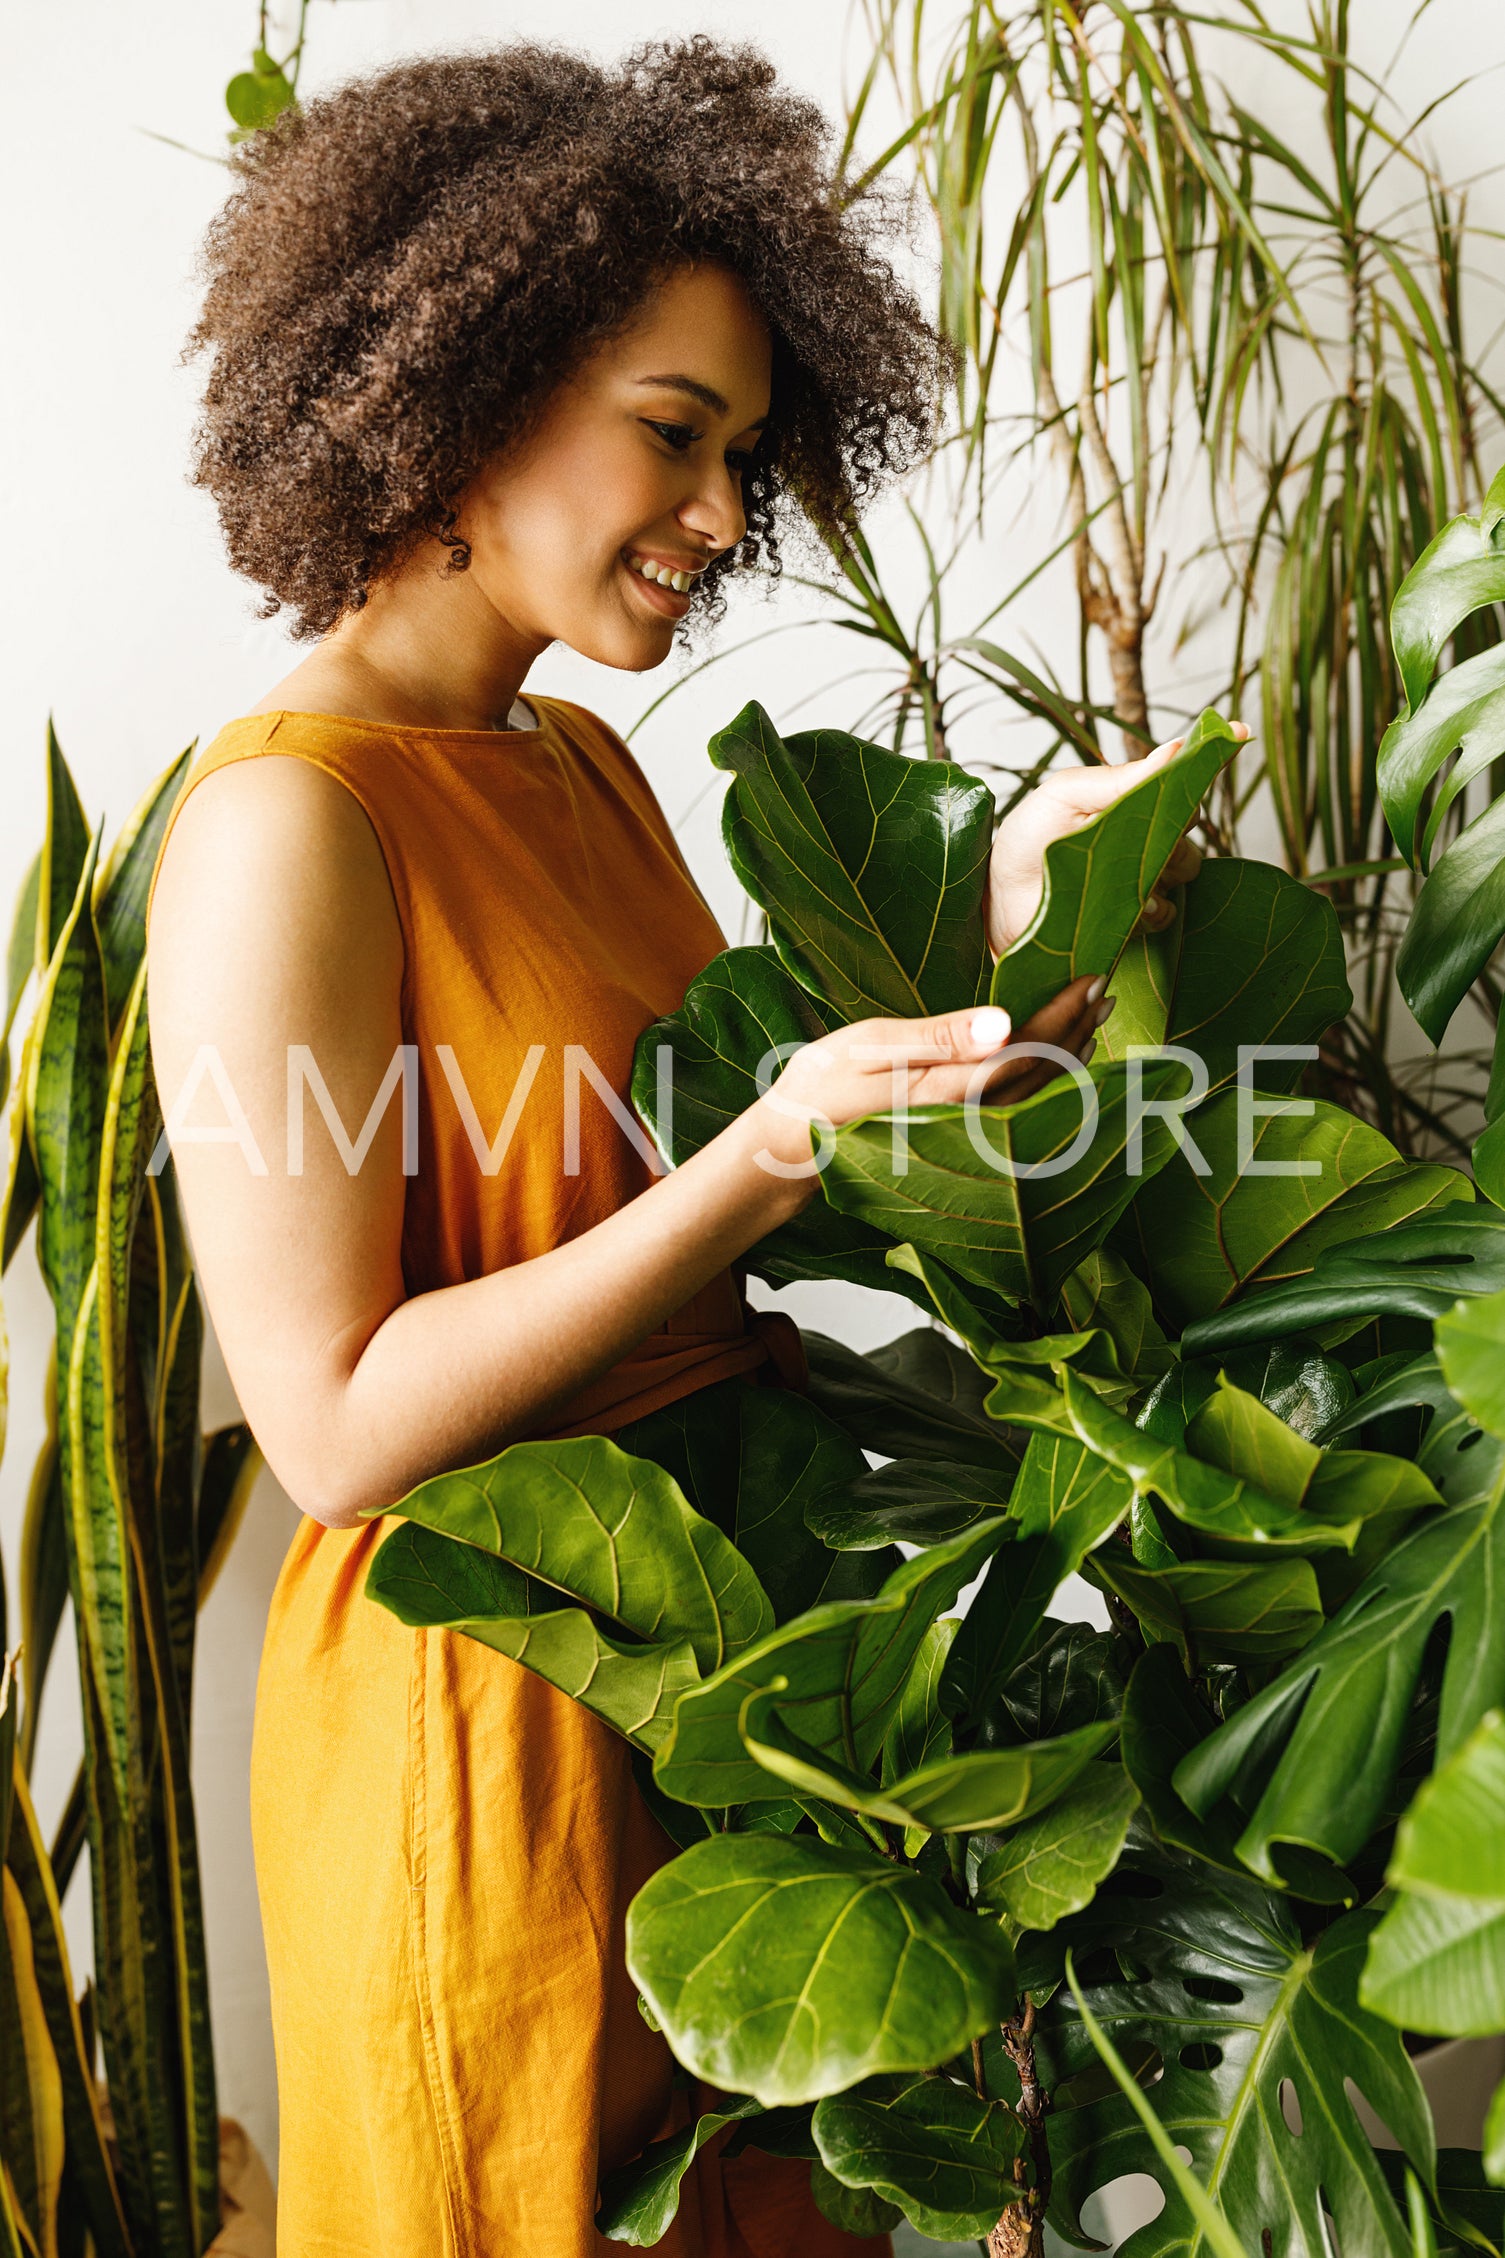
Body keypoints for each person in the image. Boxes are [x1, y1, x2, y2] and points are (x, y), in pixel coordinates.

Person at [147, 38, 1208, 2258]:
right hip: (496, 1727)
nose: (726, 515)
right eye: (674, 435)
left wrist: (1002, 953)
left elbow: (706, 1139)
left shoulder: (583, 773)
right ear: (460, 392)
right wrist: (765, 1163)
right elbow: (337, 1430)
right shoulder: (283, 825)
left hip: (732, 1698)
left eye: (743, 451)